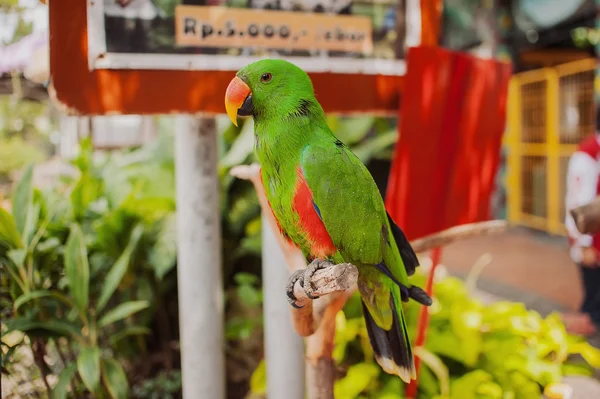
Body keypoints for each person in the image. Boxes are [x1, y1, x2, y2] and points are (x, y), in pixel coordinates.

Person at [563, 108, 600, 336]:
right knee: (593, 298)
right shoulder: (587, 155)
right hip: (591, 242)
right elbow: (580, 203)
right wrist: (584, 243)